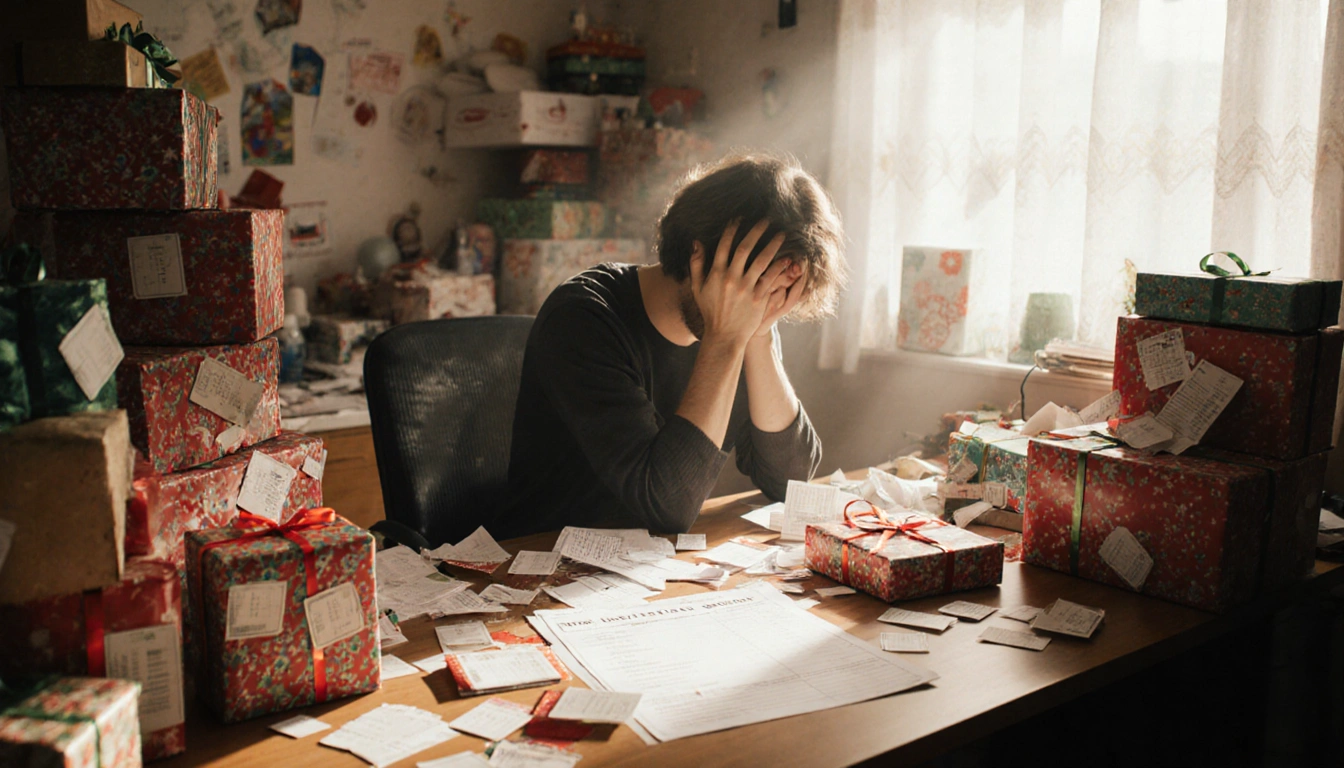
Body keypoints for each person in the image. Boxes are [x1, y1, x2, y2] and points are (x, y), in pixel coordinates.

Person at [502, 153, 847, 535]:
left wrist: (760, 336)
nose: (763, 305)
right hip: (541, 563)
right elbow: (667, 505)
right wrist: (727, 338)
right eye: (755, 287)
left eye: (779, 293)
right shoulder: (582, 318)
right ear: (698, 253)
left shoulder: (745, 320)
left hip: (651, 570)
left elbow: (791, 482)